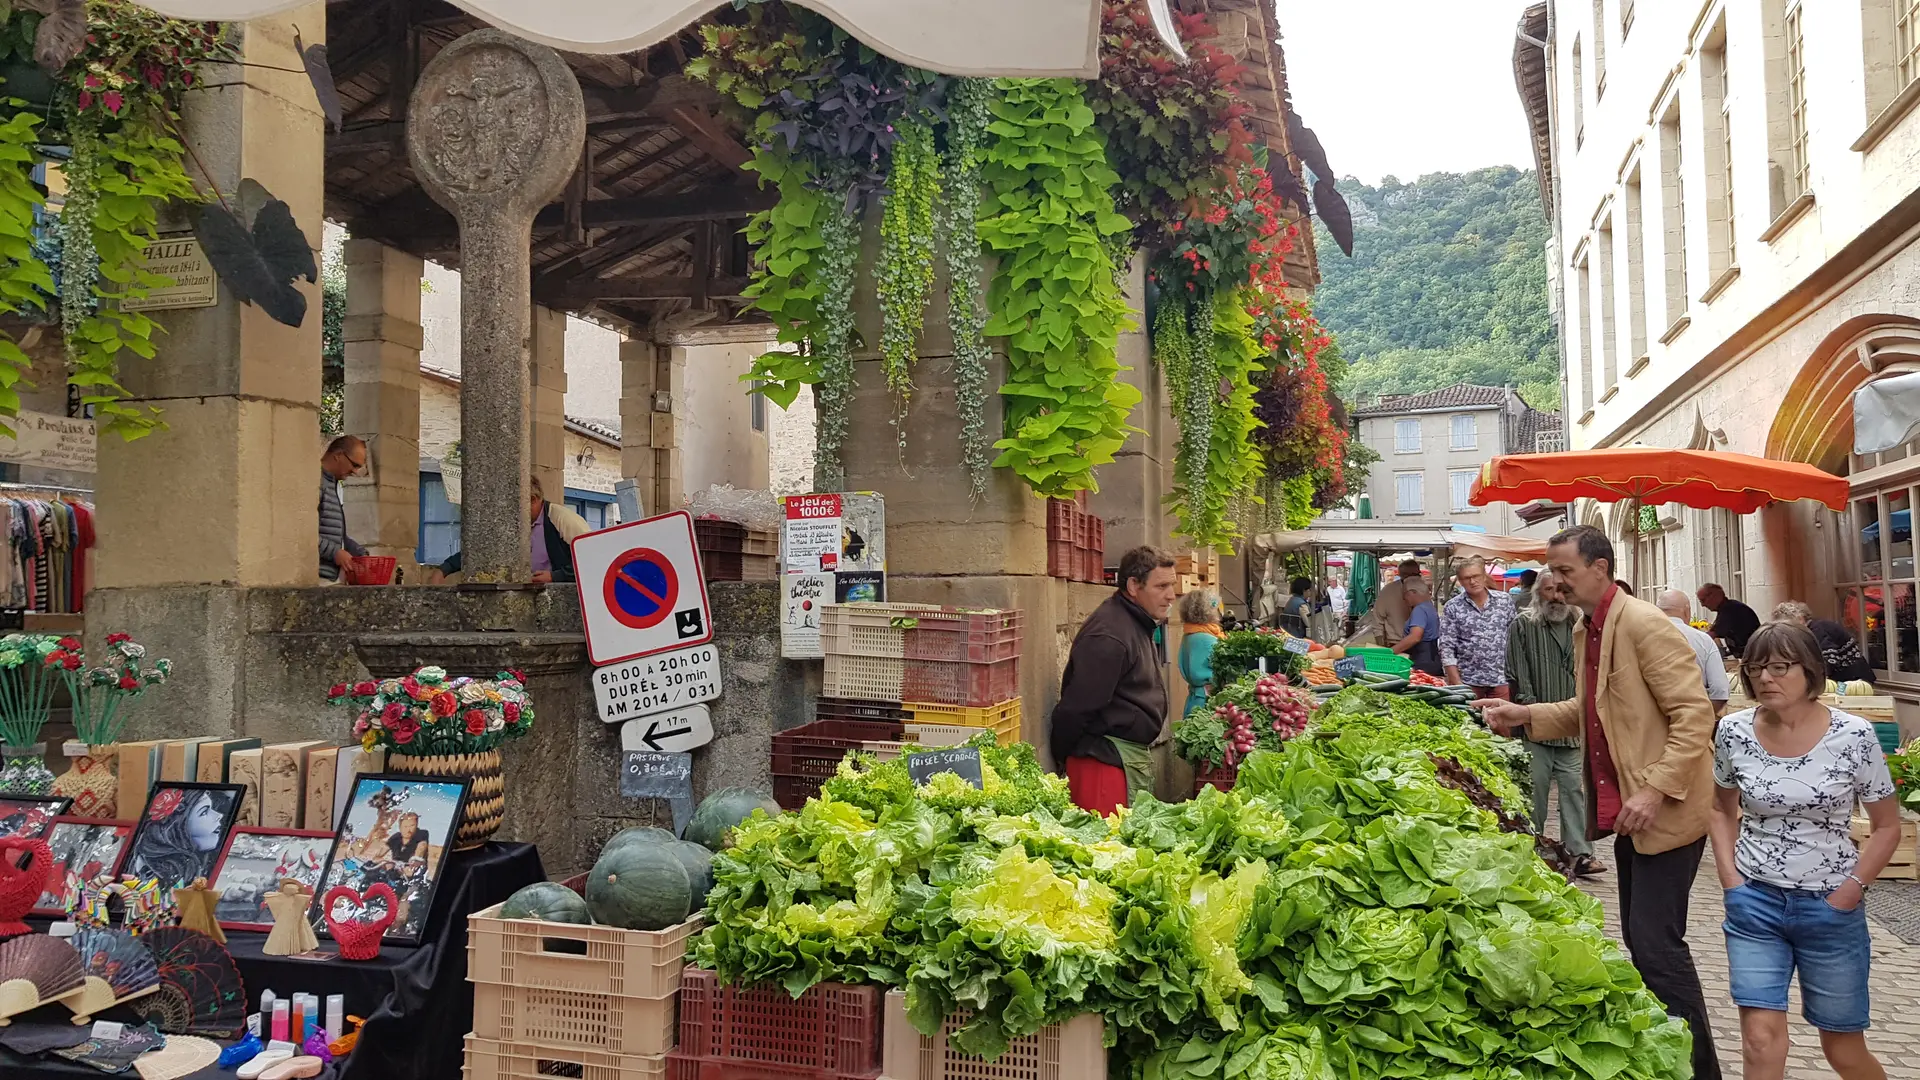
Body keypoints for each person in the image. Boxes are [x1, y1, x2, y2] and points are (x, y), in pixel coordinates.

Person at [1476, 525, 1722, 1080]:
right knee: (1641, 940)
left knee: (1657, 947)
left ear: (1601, 567)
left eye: (1564, 571)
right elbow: (1595, 711)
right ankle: (1670, 1059)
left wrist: (1655, 787)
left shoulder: (1642, 624)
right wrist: (1525, 715)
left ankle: (1701, 1070)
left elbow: (1694, 716)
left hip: (1666, 812)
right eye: (1552, 571)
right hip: (1635, 812)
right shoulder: (1594, 626)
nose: (1554, 582)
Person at [1710, 621, 1899, 1080]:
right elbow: (1719, 810)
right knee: (1759, 1040)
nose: (1765, 678)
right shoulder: (1734, 731)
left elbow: (1887, 826)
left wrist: (1850, 892)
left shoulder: (1854, 735)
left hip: (1830, 909)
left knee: (1844, 1049)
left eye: (1779, 667)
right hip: (1755, 904)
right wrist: (1732, 883)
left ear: (1811, 670)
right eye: (1756, 669)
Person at [1052, 546, 1176, 815]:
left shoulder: (1135, 622)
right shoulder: (1109, 636)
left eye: (1172, 585)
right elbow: (1077, 708)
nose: (1171, 595)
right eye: (1162, 586)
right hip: (1102, 765)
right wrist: (1062, 756)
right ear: (1133, 585)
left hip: (1121, 760)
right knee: (1104, 848)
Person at [1505, 572, 1602, 876]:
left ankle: (1580, 853)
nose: (1557, 597)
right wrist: (1530, 711)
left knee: (1576, 789)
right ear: (1538, 594)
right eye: (1549, 591)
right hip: (1536, 724)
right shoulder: (1524, 624)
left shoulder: (1582, 624)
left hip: (1574, 725)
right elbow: (1516, 673)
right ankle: (1533, 849)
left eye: (1561, 590)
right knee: (1535, 788)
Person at [428, 476, 591, 584]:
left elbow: (591, 559)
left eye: (515, 504)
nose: (511, 510)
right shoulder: (511, 523)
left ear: (533, 500)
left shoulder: (563, 520)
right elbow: (483, 548)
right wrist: (445, 568)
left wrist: (556, 577)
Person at [1441, 557, 1517, 697]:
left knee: (1501, 718)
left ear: (1484, 576)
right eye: (1466, 578)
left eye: (1476, 576)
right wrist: (1456, 682)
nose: (1472, 581)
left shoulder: (1504, 601)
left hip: (1501, 679)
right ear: (1460, 580)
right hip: (1468, 681)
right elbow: (1446, 646)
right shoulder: (1453, 607)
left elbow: (1515, 639)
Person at [1657, 590, 1732, 715]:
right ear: (1687, 611)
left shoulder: (1639, 638)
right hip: (1692, 717)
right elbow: (1720, 690)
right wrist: (1702, 718)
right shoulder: (1703, 640)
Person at [1771, 600, 1875, 686]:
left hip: (1853, 681)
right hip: (1848, 679)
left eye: (1789, 626)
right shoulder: (1809, 631)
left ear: (1800, 619)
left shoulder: (1817, 630)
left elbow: (1830, 661)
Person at [319, 435, 369, 584]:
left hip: (329, 576)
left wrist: (360, 554)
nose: (354, 472)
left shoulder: (332, 484)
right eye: (354, 465)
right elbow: (301, 532)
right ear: (338, 456)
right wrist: (335, 552)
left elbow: (336, 535)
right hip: (315, 575)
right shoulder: (315, 482)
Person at [1177, 589, 1223, 718]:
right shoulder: (1206, 639)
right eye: (1214, 608)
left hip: (1195, 700)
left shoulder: (1190, 634)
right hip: (1206, 703)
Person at [1394, 578, 1444, 677]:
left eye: (1404, 594)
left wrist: (1391, 651)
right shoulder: (1429, 606)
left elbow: (1415, 637)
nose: (1404, 598)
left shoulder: (1419, 610)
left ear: (1413, 592)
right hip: (1433, 658)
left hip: (1422, 659)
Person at [1699, 583, 1761, 658]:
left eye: (1703, 600)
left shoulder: (1730, 610)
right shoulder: (1727, 607)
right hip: (1750, 653)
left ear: (1715, 596)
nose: (1702, 605)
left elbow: (1711, 635)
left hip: (1752, 655)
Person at [1375, 559, 1424, 648]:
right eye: (1412, 575)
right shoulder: (1388, 591)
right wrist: (1381, 645)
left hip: (1420, 643)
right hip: (1396, 642)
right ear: (1402, 575)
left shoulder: (1423, 590)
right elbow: (1377, 619)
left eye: (1417, 575)